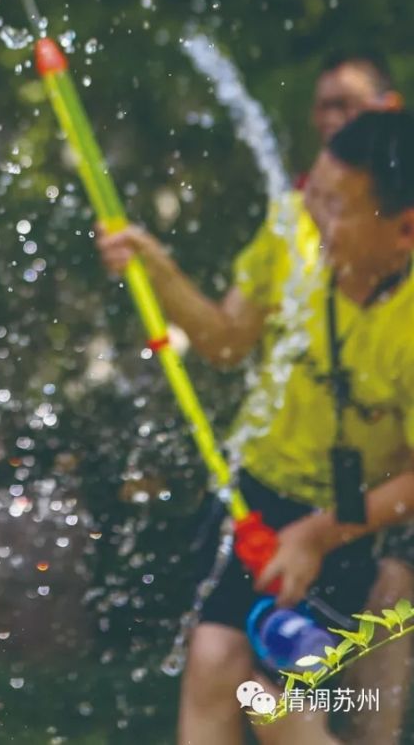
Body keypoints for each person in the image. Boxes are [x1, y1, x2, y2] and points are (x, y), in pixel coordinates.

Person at [97, 110, 414, 744]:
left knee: (278, 707)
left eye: (337, 206)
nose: (313, 214)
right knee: (213, 665)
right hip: (254, 500)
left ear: (405, 229)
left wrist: (319, 537)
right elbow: (225, 340)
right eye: (313, 192)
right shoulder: (292, 233)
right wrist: (155, 265)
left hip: (347, 520)